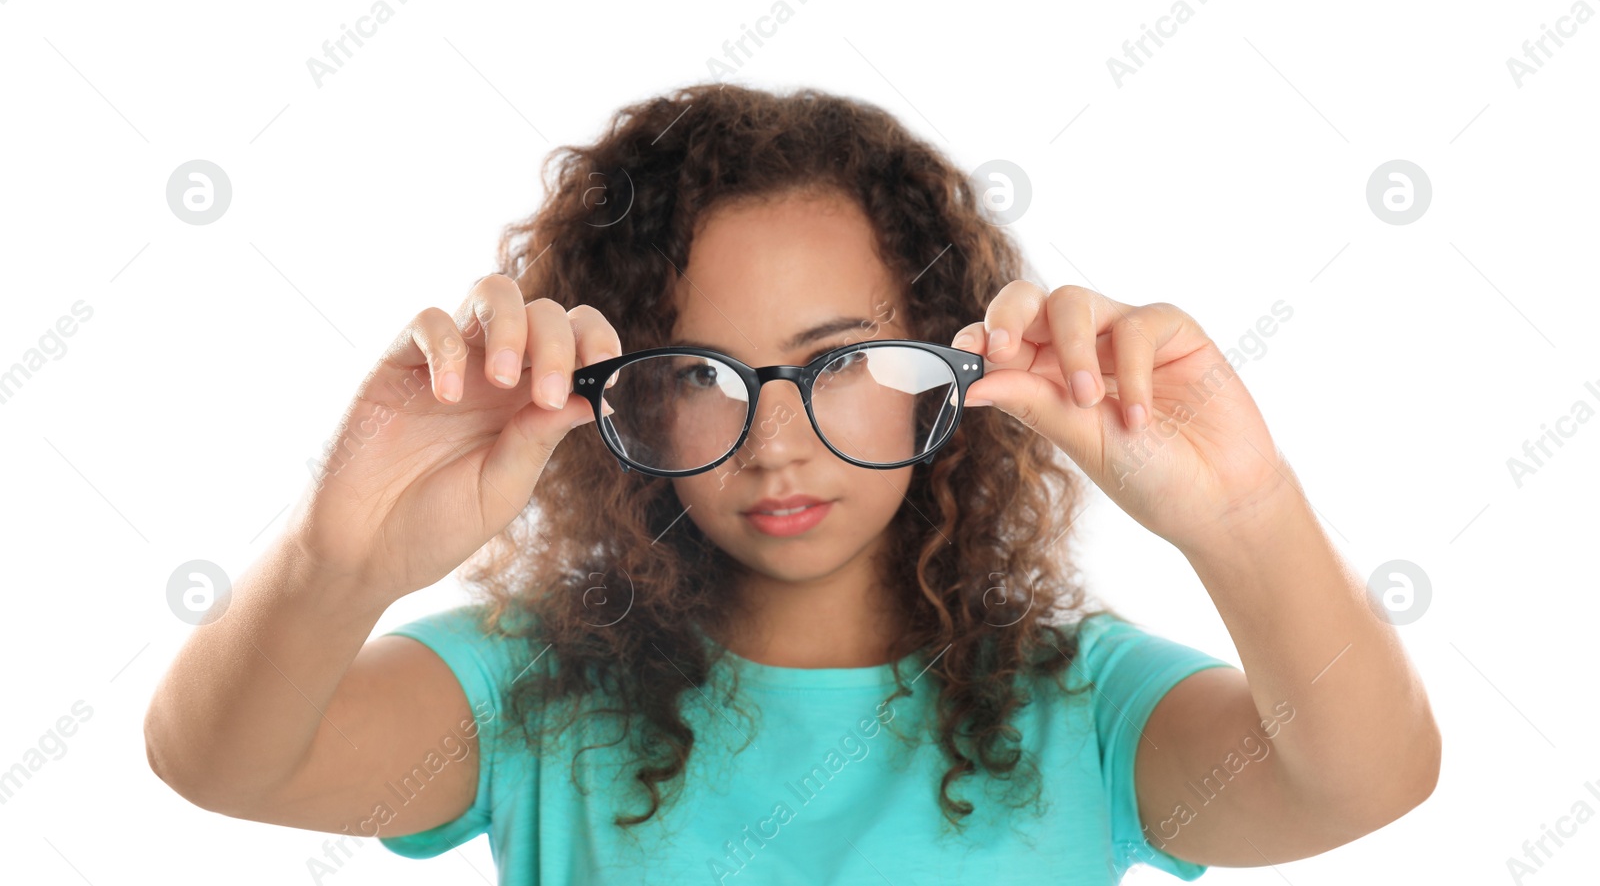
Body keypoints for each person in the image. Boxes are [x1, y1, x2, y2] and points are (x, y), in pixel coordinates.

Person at [143, 82, 1440, 884]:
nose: (777, 442)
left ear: (942, 367)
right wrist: (341, 555)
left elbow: (1365, 781)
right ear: (625, 393)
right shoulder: (533, 690)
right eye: (702, 371)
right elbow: (221, 763)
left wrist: (1245, 516)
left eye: (841, 362)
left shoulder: (1080, 703)